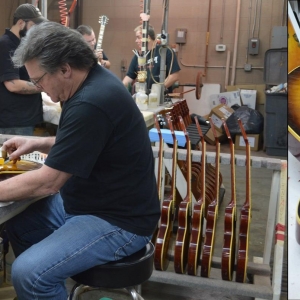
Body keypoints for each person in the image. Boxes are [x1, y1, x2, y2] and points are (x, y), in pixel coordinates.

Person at [1, 21, 160, 299]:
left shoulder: (91, 101)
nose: (38, 88)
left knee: (29, 273)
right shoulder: (93, 80)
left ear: (65, 69)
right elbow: (86, 142)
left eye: (39, 80)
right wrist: (38, 142)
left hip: (118, 221)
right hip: (91, 204)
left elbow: (48, 183)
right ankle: (45, 288)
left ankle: (40, 285)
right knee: (18, 223)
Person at [0, 3, 47, 136]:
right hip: (14, 123)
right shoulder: (6, 45)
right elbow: (13, 85)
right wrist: (45, 86)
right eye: (33, 26)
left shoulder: (22, 45)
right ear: (21, 23)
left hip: (24, 120)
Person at [122, 24, 180, 94]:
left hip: (162, 97)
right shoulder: (138, 56)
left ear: (147, 38)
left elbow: (174, 76)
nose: (136, 41)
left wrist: (157, 90)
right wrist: (119, 88)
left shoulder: (165, 51)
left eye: (138, 37)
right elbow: (129, 77)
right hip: (143, 97)